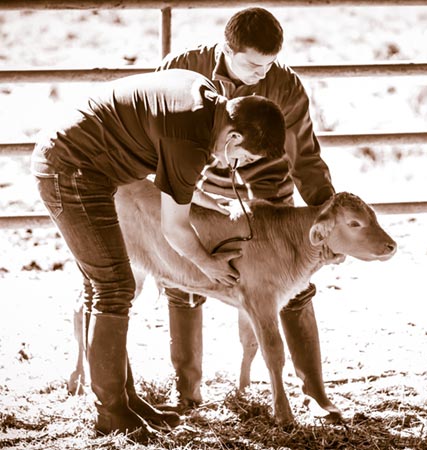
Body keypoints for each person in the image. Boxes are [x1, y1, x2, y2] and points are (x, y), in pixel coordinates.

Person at [31, 68, 286, 439]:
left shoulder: (205, 101)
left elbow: (170, 169)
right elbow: (175, 228)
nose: (236, 167)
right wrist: (208, 264)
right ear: (233, 137)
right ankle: (111, 412)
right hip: (71, 169)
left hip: (82, 161)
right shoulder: (191, 140)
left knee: (104, 285)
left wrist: (198, 195)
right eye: (243, 158)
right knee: (113, 286)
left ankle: (126, 399)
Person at [157, 7, 341, 421]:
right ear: (227, 49)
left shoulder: (285, 85)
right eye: (254, 64)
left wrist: (323, 216)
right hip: (198, 180)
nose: (263, 72)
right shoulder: (183, 68)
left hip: (267, 186)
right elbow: (158, 135)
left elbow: (305, 157)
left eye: (270, 63)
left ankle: (314, 391)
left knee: (291, 278)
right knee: (186, 275)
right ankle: (189, 392)